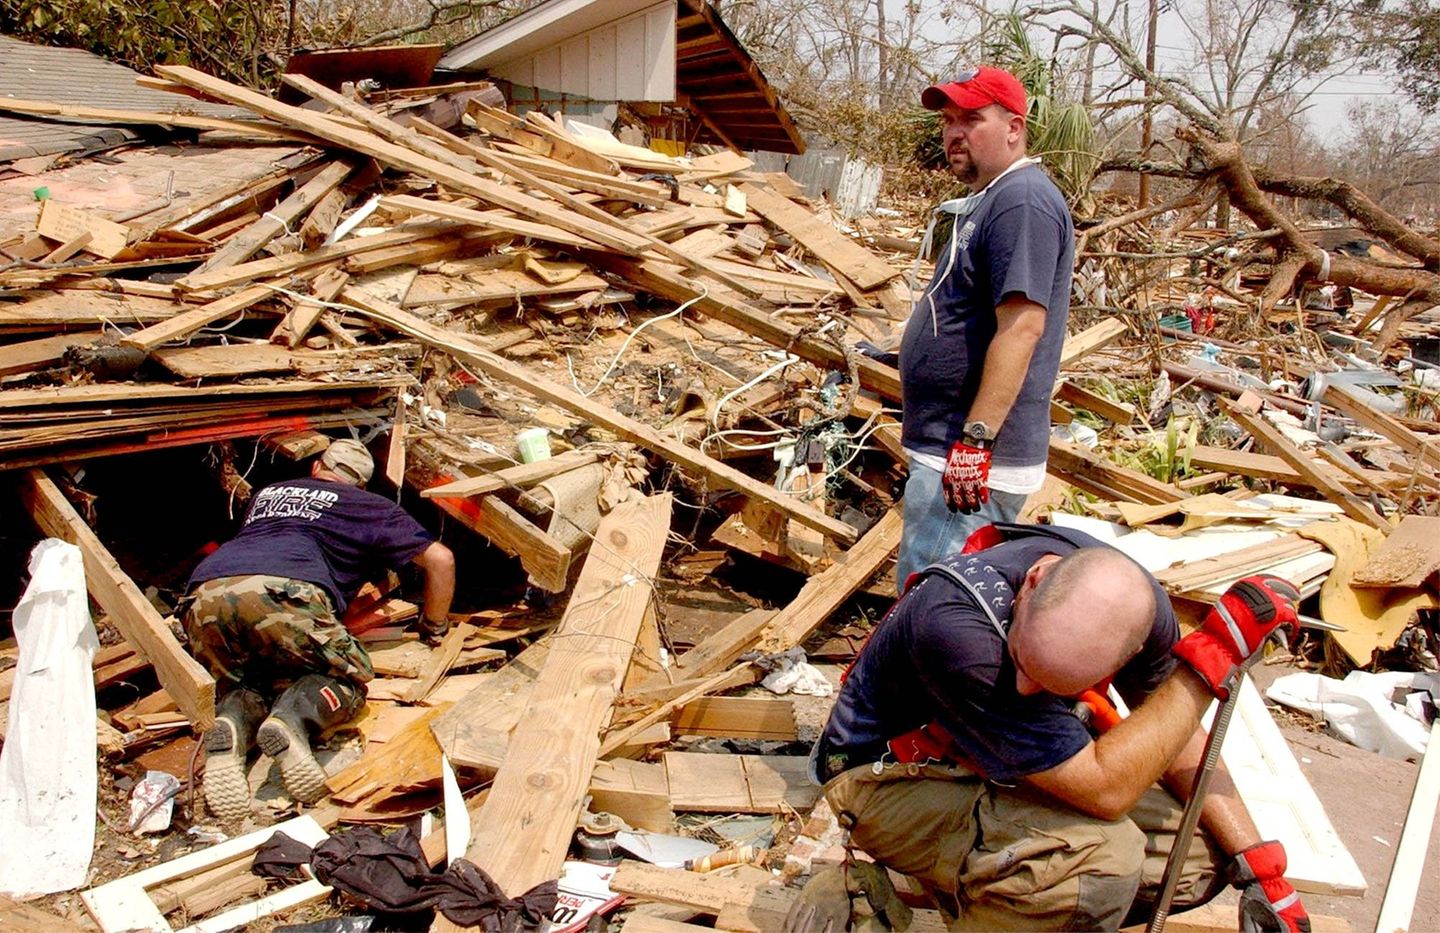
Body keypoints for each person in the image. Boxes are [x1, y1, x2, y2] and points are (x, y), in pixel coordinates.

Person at [797, 522, 1310, 932]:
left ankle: (984, 897)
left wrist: (1259, 866)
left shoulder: (1125, 601)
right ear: (1036, 581)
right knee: (1100, 865)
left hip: (991, 765)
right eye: (1021, 657)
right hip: (881, 777)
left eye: (1047, 682)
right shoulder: (955, 628)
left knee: (1197, 849)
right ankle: (950, 881)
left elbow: (1172, 732)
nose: (1020, 686)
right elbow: (1106, 791)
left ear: (1132, 650)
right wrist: (1206, 666)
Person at [181, 438, 456, 821]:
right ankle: (292, 722)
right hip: (287, 593)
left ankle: (232, 721)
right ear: (360, 485)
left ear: (316, 468)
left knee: (255, 679)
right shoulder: (368, 505)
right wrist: (434, 625)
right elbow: (441, 560)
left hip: (204, 594)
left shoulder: (268, 493)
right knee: (349, 677)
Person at [895, 66, 1076, 589]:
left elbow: (1022, 328)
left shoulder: (1021, 201)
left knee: (933, 603)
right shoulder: (993, 198)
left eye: (972, 118)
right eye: (949, 120)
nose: (955, 132)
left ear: (1014, 128)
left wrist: (974, 443)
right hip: (950, 448)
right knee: (941, 600)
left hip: (968, 459)